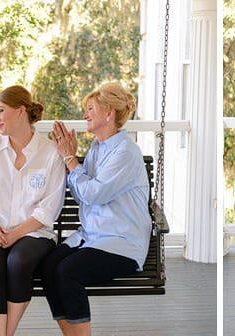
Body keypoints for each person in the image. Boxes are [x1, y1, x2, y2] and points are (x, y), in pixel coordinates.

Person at [44, 82, 158, 336]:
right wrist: (69, 159)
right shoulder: (97, 147)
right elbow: (81, 194)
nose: (85, 115)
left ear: (109, 114)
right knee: (49, 266)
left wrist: (70, 160)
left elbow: (93, 194)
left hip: (121, 241)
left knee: (66, 272)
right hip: (93, 236)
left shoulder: (126, 152)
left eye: (90, 109)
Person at [0, 85, 65, 336]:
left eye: (0, 110)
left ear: (20, 111)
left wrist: (15, 234)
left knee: (18, 262)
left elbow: (48, 209)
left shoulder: (51, 152)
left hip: (33, 233)